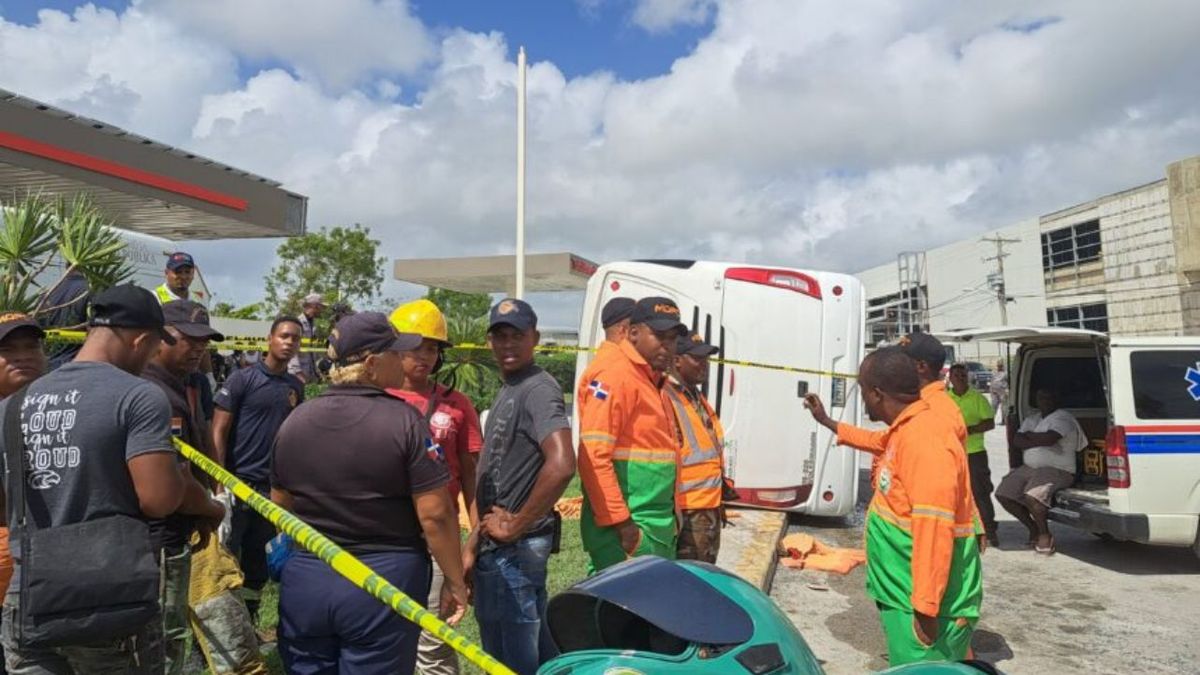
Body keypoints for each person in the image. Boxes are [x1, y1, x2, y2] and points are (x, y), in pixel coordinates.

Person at [0, 284, 216, 673]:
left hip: (29, 599)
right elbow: (159, 499)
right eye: (153, 347)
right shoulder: (138, 396)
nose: (152, 356)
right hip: (110, 597)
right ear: (141, 340)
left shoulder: (11, 407)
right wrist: (203, 502)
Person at [271, 312, 467, 674]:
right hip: (381, 582)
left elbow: (280, 504)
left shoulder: (297, 419)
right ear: (373, 364)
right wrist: (455, 580)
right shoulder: (405, 422)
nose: (404, 361)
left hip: (308, 580)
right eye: (397, 353)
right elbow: (435, 514)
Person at [819, 347, 981, 666]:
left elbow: (934, 524)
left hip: (925, 606)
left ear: (877, 394)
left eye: (863, 391)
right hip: (904, 593)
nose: (862, 399)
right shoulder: (907, 427)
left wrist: (925, 609)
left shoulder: (925, 438)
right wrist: (827, 421)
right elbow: (878, 443)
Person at [464, 298, 574, 675]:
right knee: (533, 657)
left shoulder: (537, 389)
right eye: (500, 336)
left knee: (508, 663)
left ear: (535, 338)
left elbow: (561, 464)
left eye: (517, 336)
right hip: (500, 549)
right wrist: (474, 541)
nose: (507, 344)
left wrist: (516, 524)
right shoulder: (512, 386)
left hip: (514, 550)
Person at [386, 299, 483, 675]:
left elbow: (473, 475)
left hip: (437, 540)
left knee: (433, 643)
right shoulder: (374, 398)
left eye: (432, 348)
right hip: (385, 539)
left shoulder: (456, 404)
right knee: (386, 637)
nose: (424, 356)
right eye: (415, 346)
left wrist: (471, 540)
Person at [141, 300, 235, 675]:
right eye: (188, 339)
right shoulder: (153, 393)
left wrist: (214, 490)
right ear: (160, 337)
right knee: (165, 637)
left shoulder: (183, 385)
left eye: (204, 342)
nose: (197, 349)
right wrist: (214, 508)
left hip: (178, 527)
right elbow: (173, 477)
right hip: (160, 536)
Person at [578, 297, 687, 573]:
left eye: (673, 338)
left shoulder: (649, 378)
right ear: (633, 332)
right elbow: (593, 456)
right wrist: (625, 529)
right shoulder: (615, 376)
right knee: (618, 609)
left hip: (653, 527)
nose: (667, 346)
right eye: (660, 336)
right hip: (629, 531)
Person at [211, 316, 304, 622]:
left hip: (271, 491)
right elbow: (218, 431)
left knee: (258, 564)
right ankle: (216, 636)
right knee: (225, 561)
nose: (289, 342)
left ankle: (248, 625)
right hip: (238, 485)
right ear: (270, 339)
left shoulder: (295, 388)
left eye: (295, 339)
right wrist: (220, 485)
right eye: (284, 336)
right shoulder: (242, 379)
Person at [806, 332, 967, 484]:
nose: (892, 363)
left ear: (921, 367)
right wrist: (826, 420)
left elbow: (933, 505)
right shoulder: (918, 405)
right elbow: (879, 441)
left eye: (900, 360)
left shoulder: (935, 414)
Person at [0, 311, 48, 664]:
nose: (22, 356)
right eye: (9, 349)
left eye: (31, 346)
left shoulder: (60, 408)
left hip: (47, 572)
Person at [995, 388, 1086, 554]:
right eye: (1041, 397)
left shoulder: (1063, 417)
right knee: (1003, 493)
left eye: (1048, 397)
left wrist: (1030, 437)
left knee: (1032, 496)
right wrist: (1038, 439)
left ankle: (1045, 534)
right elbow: (1017, 441)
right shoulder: (1033, 418)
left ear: (1056, 399)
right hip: (1030, 468)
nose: (1044, 400)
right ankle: (1033, 528)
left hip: (1058, 469)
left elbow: (1050, 438)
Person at [664, 332, 727, 563]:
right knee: (689, 579)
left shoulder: (694, 396)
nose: (705, 365)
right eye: (697, 358)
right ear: (677, 360)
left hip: (707, 504)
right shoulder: (667, 396)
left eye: (707, 359)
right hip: (687, 509)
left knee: (704, 576)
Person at [947, 363, 998, 546]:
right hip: (950, 454)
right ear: (950, 378)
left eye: (963, 375)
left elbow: (990, 423)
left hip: (974, 454)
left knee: (980, 494)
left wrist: (969, 430)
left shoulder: (978, 398)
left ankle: (989, 532)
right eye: (956, 375)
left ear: (967, 377)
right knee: (951, 495)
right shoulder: (944, 399)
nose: (960, 378)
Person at [36, 269, 90, 370]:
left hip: (48, 365)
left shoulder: (46, 293)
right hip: (78, 364)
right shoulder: (90, 290)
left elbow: (42, 334)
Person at [288, 293, 325, 384]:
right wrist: (297, 371)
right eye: (320, 307)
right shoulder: (298, 322)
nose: (322, 310)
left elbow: (313, 349)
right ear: (314, 306)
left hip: (311, 374)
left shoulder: (313, 324)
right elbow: (292, 347)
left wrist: (319, 370)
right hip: (299, 374)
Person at [989, 361, 1009, 425]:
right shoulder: (994, 373)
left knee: (1004, 407)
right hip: (994, 392)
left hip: (1002, 392)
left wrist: (1007, 390)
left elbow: (1009, 381)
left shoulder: (1006, 373)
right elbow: (992, 381)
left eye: (1001, 366)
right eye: (998, 366)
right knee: (993, 406)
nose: (999, 367)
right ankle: (991, 420)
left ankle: (1004, 420)